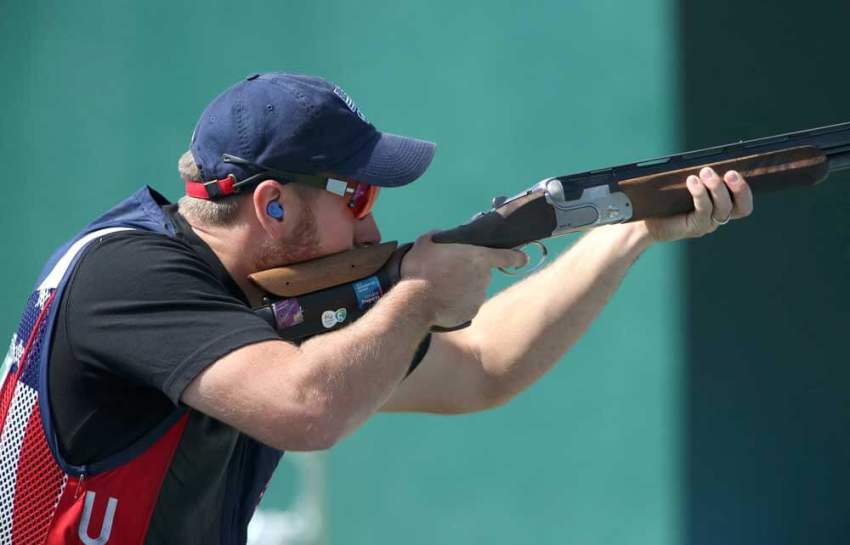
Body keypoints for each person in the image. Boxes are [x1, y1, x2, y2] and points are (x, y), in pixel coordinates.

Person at [0, 72, 752, 544]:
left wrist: (633, 233)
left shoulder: (246, 308)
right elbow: (307, 407)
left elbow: (485, 364)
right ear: (272, 206)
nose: (369, 227)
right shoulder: (126, 274)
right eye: (354, 197)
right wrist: (421, 295)